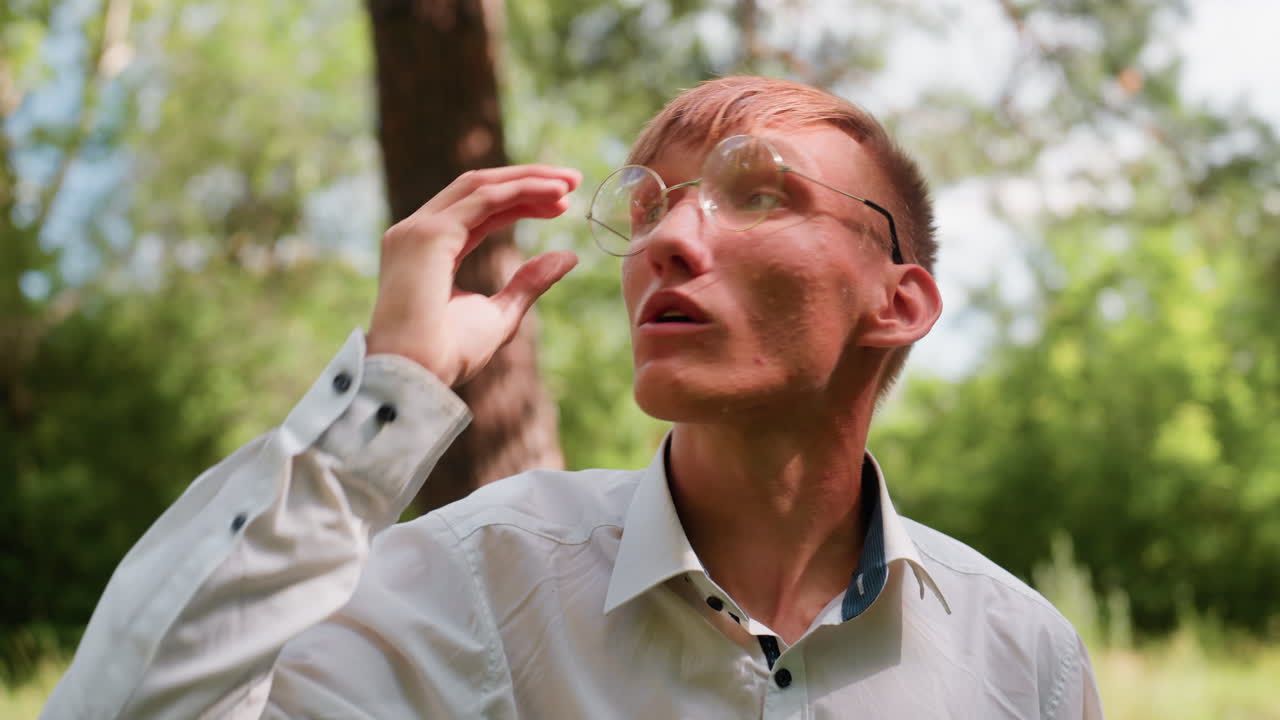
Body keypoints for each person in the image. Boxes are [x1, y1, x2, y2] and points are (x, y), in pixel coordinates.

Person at [43, 76, 1103, 719]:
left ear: (897, 300)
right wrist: (383, 399)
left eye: (760, 193)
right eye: (649, 210)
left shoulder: (1025, 660)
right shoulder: (470, 585)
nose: (670, 242)